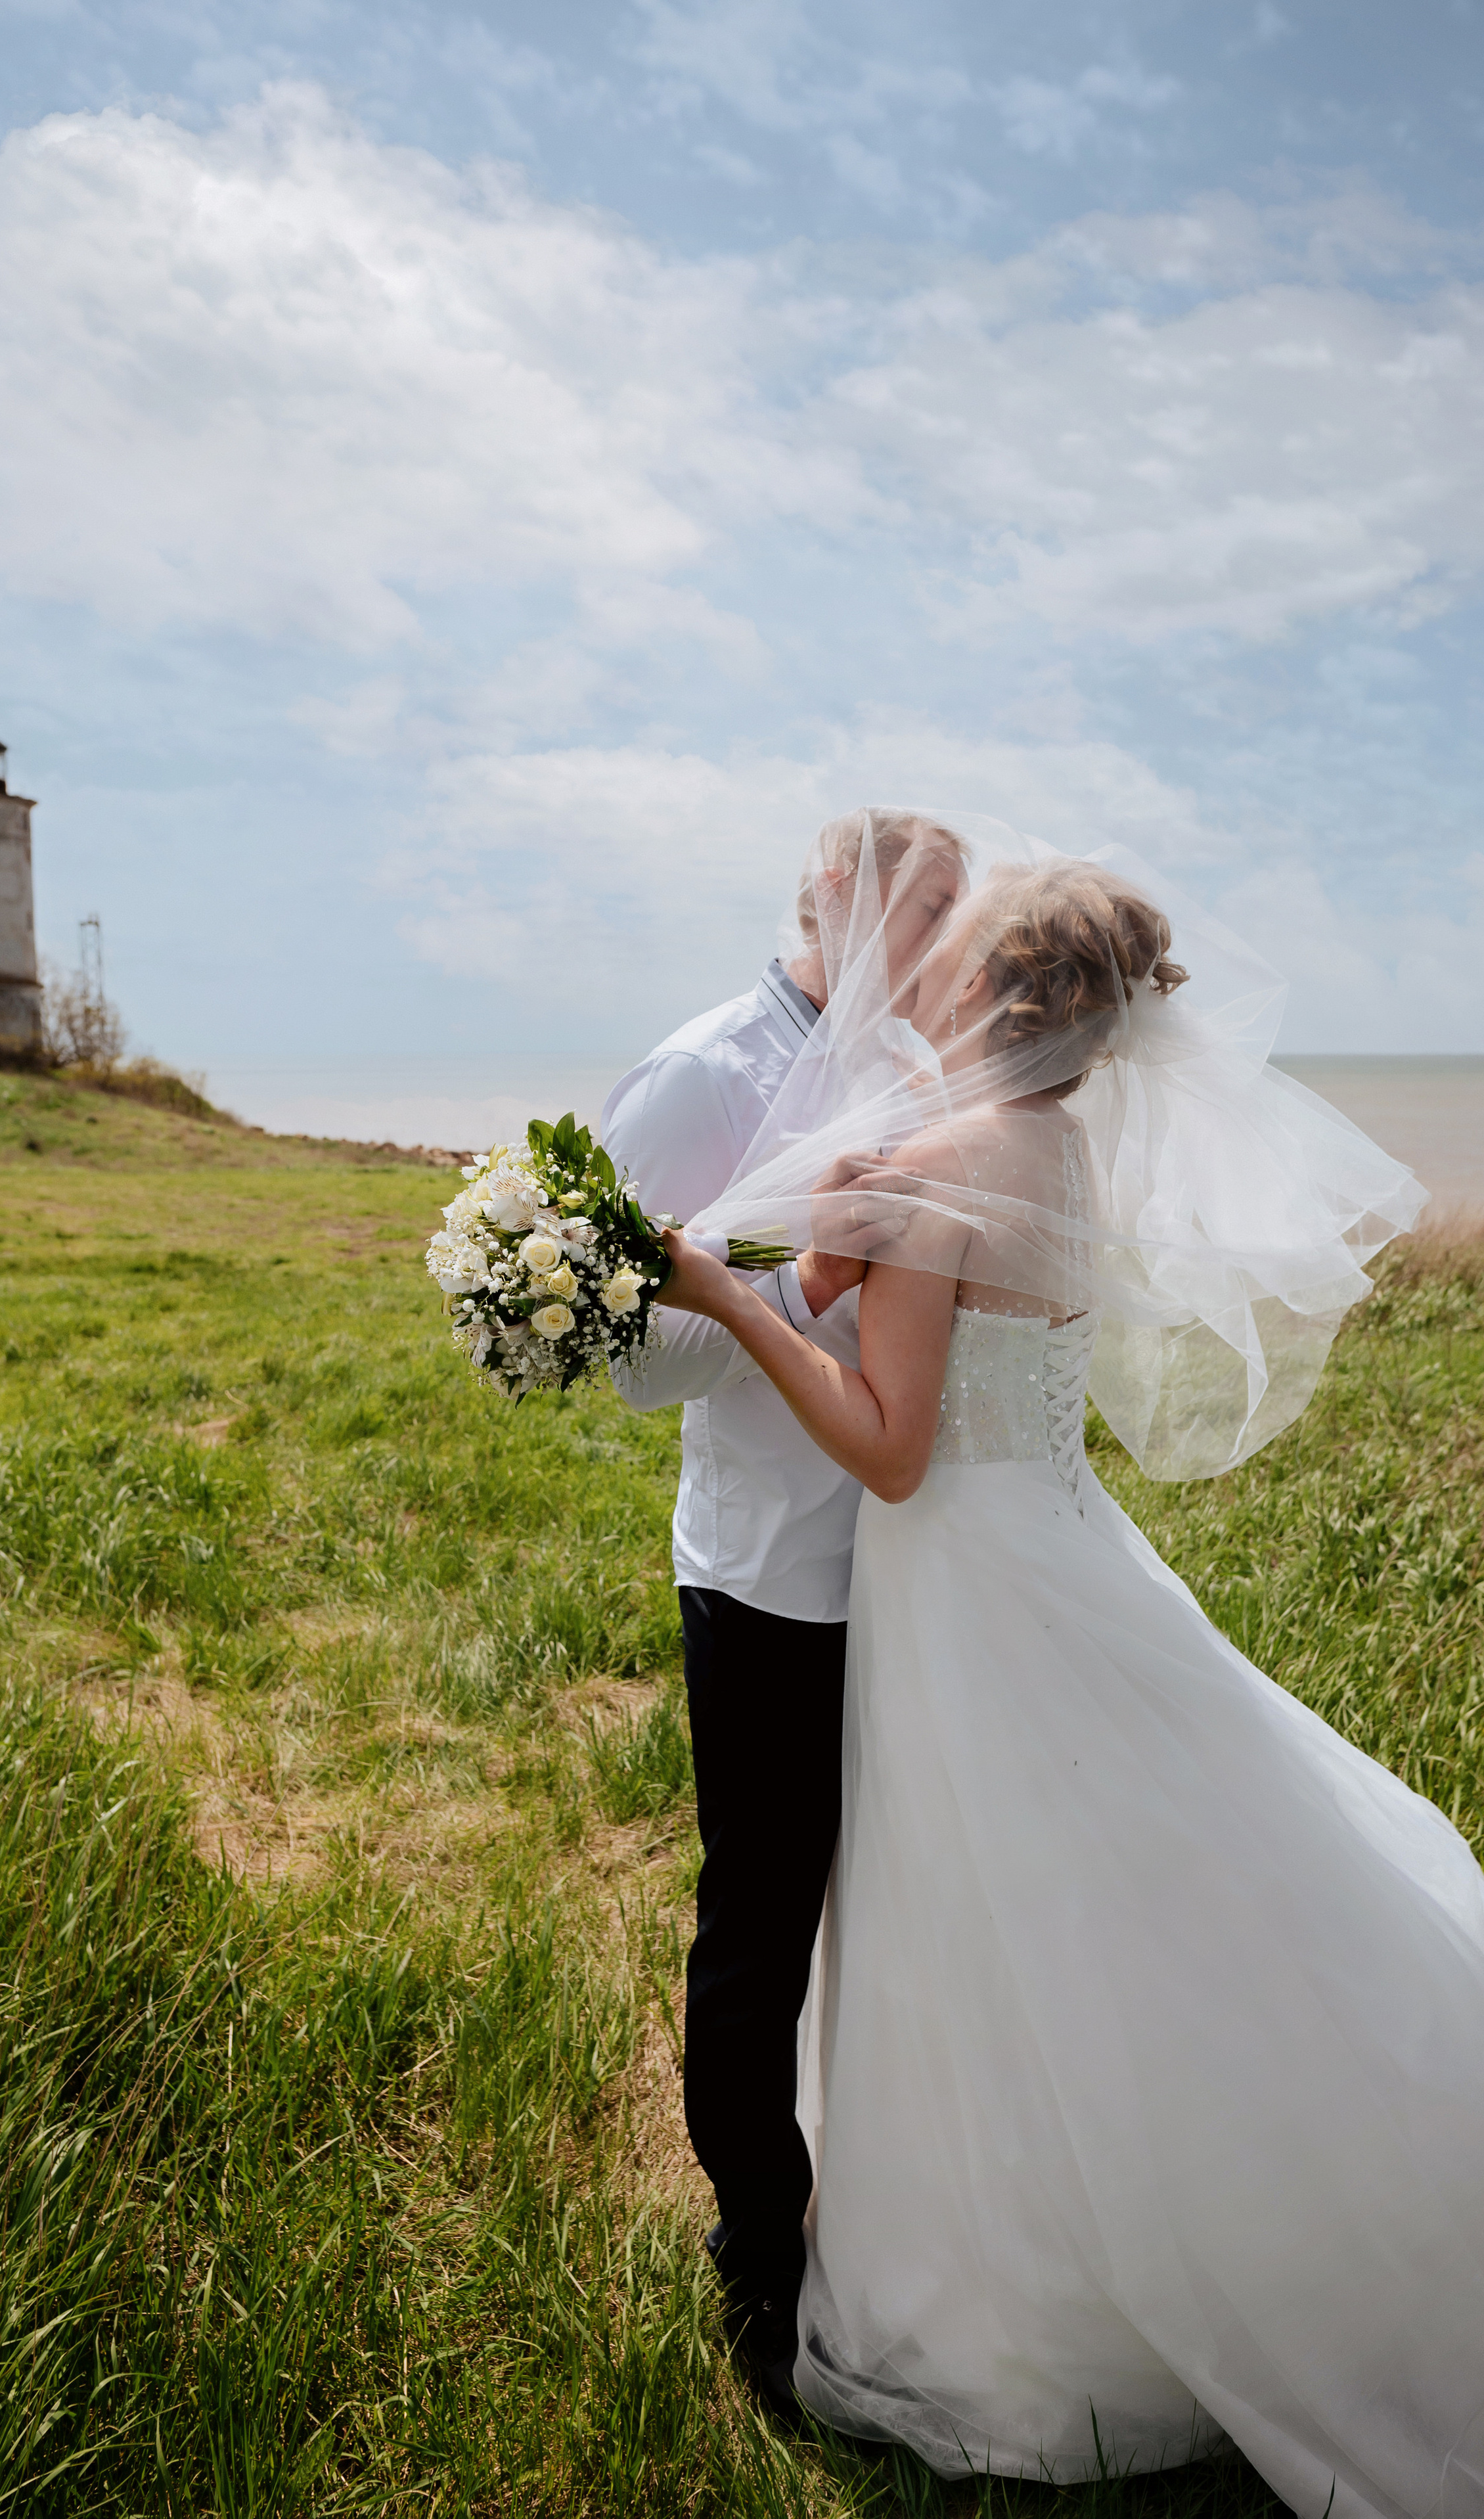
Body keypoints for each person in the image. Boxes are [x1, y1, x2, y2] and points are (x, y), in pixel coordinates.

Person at [654, 830, 1484, 2519]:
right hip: (1059, 1552)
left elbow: (886, 1452)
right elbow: (915, 1318)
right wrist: (822, 1256)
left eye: (951, 950)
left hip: (956, 1580)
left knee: (978, 1926)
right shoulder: (1044, 1148)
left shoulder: (929, 1161)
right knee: (1085, 1916)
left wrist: (734, 1309)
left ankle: (1026, 2314)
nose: (926, 959)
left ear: (979, 993)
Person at [598, 808, 970, 2409]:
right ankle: (758, 2244)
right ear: (830, 896)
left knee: (905, 1905)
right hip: (767, 1575)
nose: (945, 944)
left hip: (921, 1569)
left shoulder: (917, 1071)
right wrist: (800, 1287)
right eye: (923, 909)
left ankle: (917, 2213)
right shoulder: (700, 1077)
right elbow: (625, 1362)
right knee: (761, 1924)